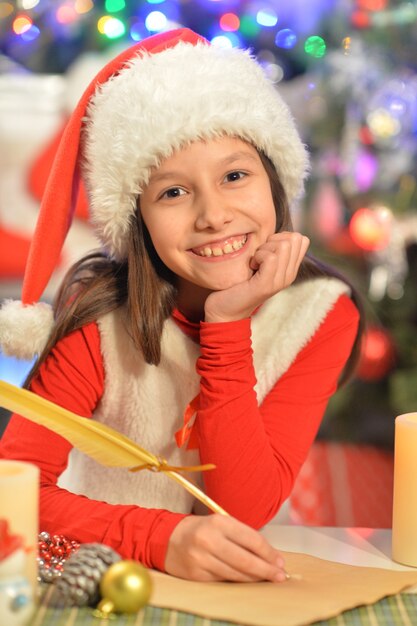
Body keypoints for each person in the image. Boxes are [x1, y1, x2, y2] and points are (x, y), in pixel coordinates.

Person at [0, 28, 362, 583]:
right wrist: (158, 537)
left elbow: (243, 510)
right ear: (137, 218)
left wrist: (227, 325)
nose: (213, 215)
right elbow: (12, 489)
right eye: (173, 192)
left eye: (235, 176)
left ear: (276, 181)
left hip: (251, 587)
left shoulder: (320, 313)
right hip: (104, 575)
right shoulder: (96, 318)